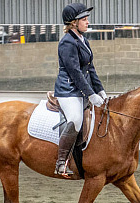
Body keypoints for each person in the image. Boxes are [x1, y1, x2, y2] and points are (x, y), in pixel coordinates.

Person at [53, 3, 107, 176]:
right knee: (76, 119)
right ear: (73, 23)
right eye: (84, 19)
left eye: (86, 19)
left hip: (80, 89)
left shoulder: (84, 41)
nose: (87, 22)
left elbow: (90, 69)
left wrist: (100, 91)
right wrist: (90, 94)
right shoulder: (67, 42)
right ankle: (61, 162)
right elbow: (75, 72)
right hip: (68, 90)